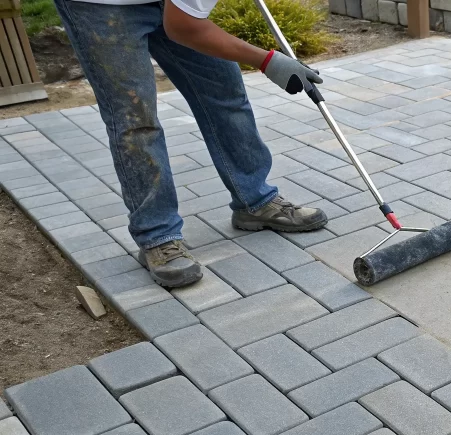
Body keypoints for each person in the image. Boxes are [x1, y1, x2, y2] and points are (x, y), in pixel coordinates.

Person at [54, 0, 329, 288]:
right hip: (98, 5)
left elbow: (184, 20)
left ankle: (255, 200)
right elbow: (185, 27)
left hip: (174, 7)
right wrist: (266, 60)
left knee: (225, 92)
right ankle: (158, 235)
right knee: (135, 120)